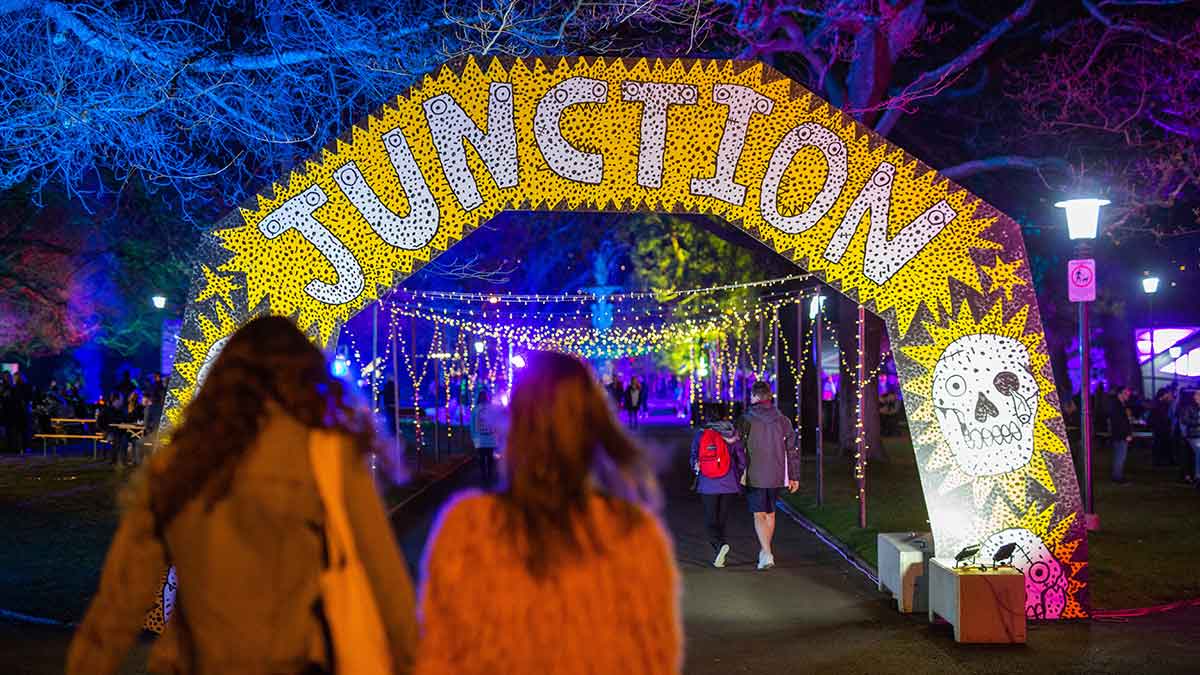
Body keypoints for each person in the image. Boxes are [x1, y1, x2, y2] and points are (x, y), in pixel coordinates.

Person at [67, 316, 416, 675]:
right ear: (308, 379)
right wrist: (412, 659)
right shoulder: (327, 458)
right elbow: (384, 574)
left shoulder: (177, 463)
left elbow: (120, 599)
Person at [415, 351, 680, 674]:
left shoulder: (468, 529)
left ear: (513, 424)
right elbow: (654, 658)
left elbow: (439, 655)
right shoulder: (633, 534)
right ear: (593, 425)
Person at [739, 381, 800, 571]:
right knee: (771, 513)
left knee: (759, 513)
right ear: (769, 397)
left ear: (756, 397)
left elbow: (738, 449)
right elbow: (792, 450)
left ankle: (766, 552)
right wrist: (794, 475)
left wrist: (741, 471)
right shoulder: (783, 420)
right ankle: (766, 551)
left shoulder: (745, 419)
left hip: (754, 472)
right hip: (777, 472)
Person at [690, 405, 747, 568]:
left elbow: (694, 456)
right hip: (729, 483)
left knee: (710, 519)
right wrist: (739, 473)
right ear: (724, 416)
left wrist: (696, 468)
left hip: (708, 483)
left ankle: (720, 546)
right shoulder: (732, 433)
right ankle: (720, 553)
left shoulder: (701, 435)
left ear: (706, 417)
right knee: (722, 519)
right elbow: (741, 458)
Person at [470, 389, 502, 488]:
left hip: (479, 438)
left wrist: (473, 436)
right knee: (489, 457)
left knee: (481, 457)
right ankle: (490, 476)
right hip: (491, 438)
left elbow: (472, 425)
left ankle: (484, 476)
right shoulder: (492, 409)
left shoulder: (475, 409)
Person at [1109, 386, 1134, 483]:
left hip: (1119, 435)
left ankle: (1117, 475)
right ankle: (1117, 477)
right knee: (1120, 456)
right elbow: (1120, 422)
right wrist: (1126, 434)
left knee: (1119, 456)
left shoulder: (1119, 405)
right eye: (1126, 393)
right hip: (1120, 435)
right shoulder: (1118, 406)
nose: (1128, 395)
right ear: (1120, 394)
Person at [1178, 389, 1200, 488]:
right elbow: (1185, 420)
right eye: (1198, 394)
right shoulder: (1188, 407)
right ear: (1194, 396)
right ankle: (1198, 477)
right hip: (1193, 435)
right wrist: (1198, 422)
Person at [1150, 387, 1175, 467]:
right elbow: (1162, 416)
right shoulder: (1160, 404)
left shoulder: (1158, 403)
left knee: (1164, 444)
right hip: (1161, 427)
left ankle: (1164, 461)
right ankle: (1159, 461)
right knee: (1161, 444)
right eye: (1167, 394)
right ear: (1163, 394)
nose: (1168, 395)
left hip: (1161, 427)